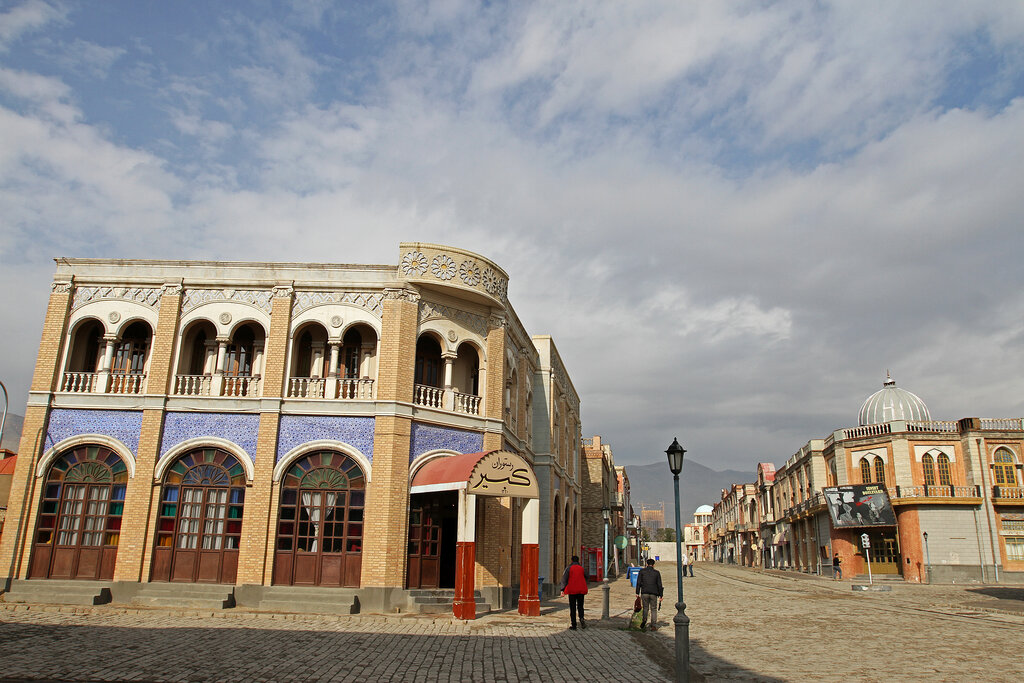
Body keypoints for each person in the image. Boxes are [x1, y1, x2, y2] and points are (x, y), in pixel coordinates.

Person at [559, 555, 588, 630]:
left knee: (572, 607)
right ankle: (581, 618)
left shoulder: (569, 568)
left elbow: (564, 579)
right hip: (581, 590)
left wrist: (562, 589)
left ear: (571, 561)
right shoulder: (582, 568)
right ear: (578, 561)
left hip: (572, 590)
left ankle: (574, 625)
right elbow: (587, 576)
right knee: (580, 606)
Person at [635, 558, 663, 631]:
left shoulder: (642, 571)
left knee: (645, 608)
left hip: (644, 592)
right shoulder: (657, 573)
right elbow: (659, 585)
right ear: (653, 565)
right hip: (654, 593)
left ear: (647, 564)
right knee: (653, 609)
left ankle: (644, 620)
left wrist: (637, 593)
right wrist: (661, 595)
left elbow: (638, 582)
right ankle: (653, 625)